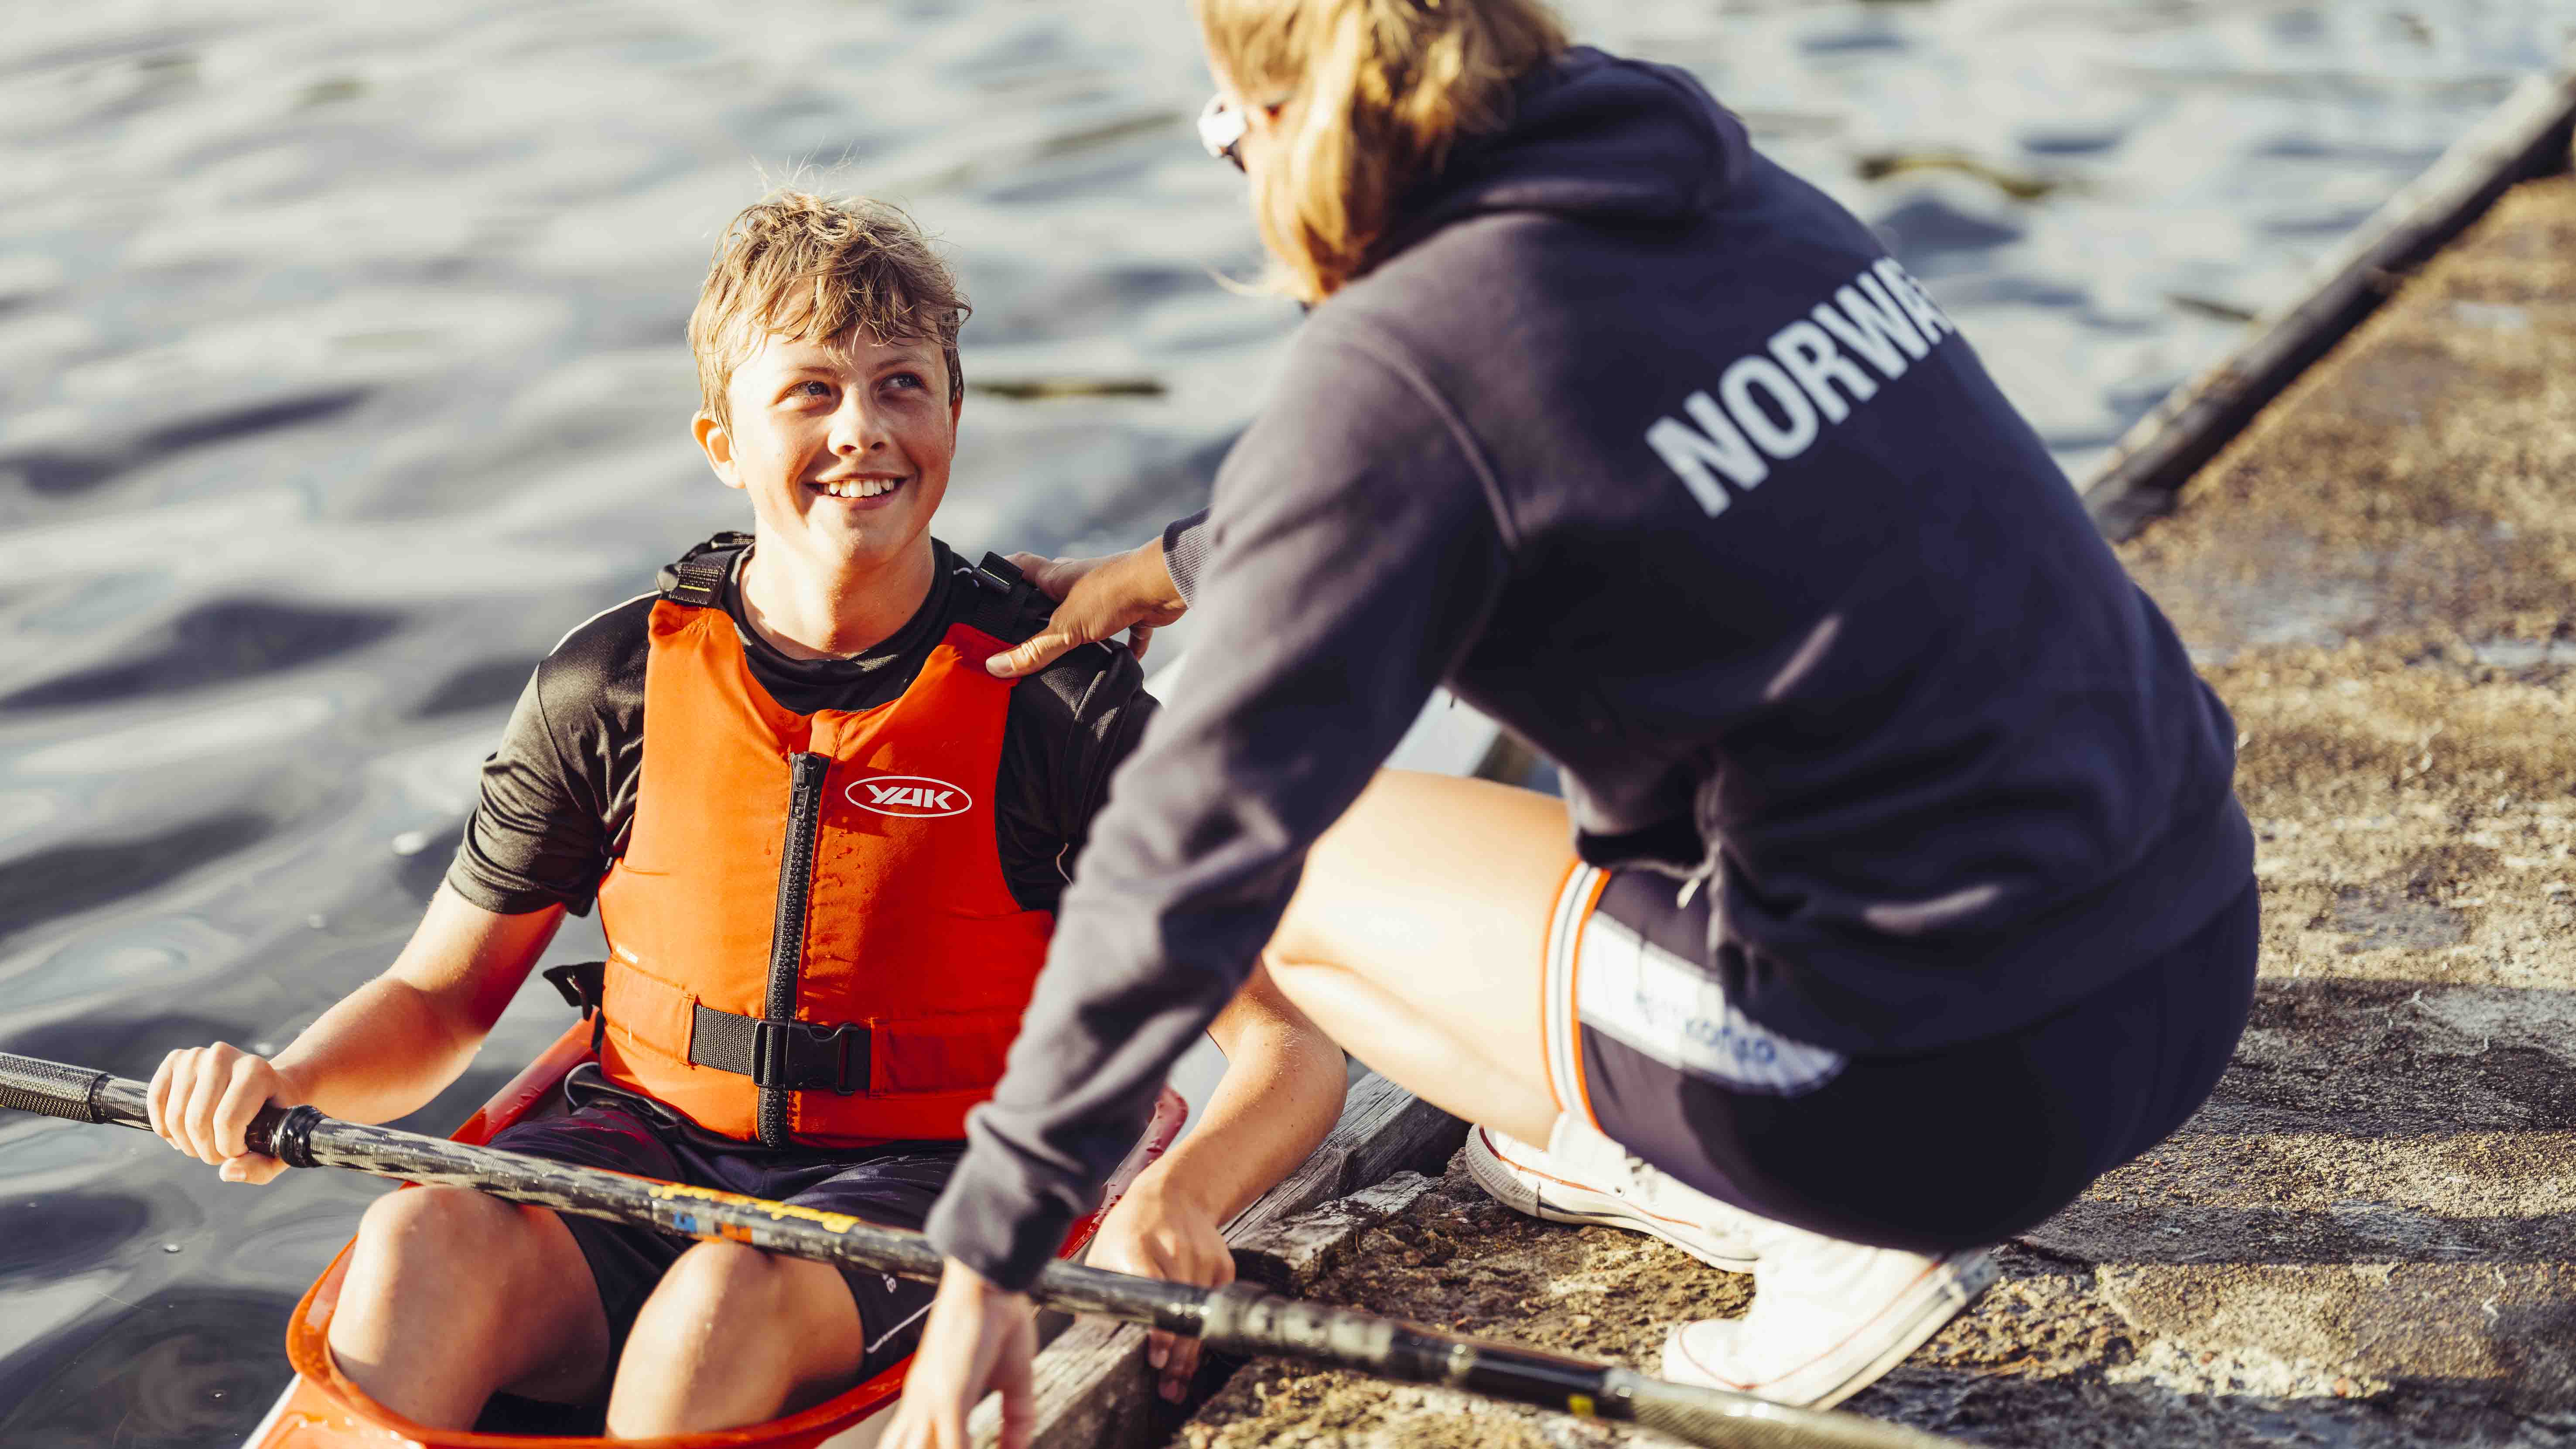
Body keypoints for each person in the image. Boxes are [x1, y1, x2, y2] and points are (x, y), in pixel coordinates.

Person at [883, 1, 2259, 1442]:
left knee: (1281, 866)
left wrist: (993, 1241)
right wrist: (1174, 565)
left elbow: (1187, 844)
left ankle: (1827, 1230)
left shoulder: (1401, 364)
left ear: (1282, 125)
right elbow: (1484, 453)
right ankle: (1678, 1144)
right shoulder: (1720, 193)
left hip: (1934, 1094)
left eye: (1227, 139)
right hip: (2189, 945)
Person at [143, 191, 1346, 1436]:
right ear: (721, 437)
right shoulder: (611, 684)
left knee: (714, 1308)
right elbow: (441, 1001)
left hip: (932, 1172)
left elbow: (1286, 1049)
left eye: (901, 384)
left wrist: (1182, 1197)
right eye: (810, 392)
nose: (863, 430)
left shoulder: (1054, 706)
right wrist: (281, 1078)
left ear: (952, 412)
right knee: (414, 1239)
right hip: (639, 1139)